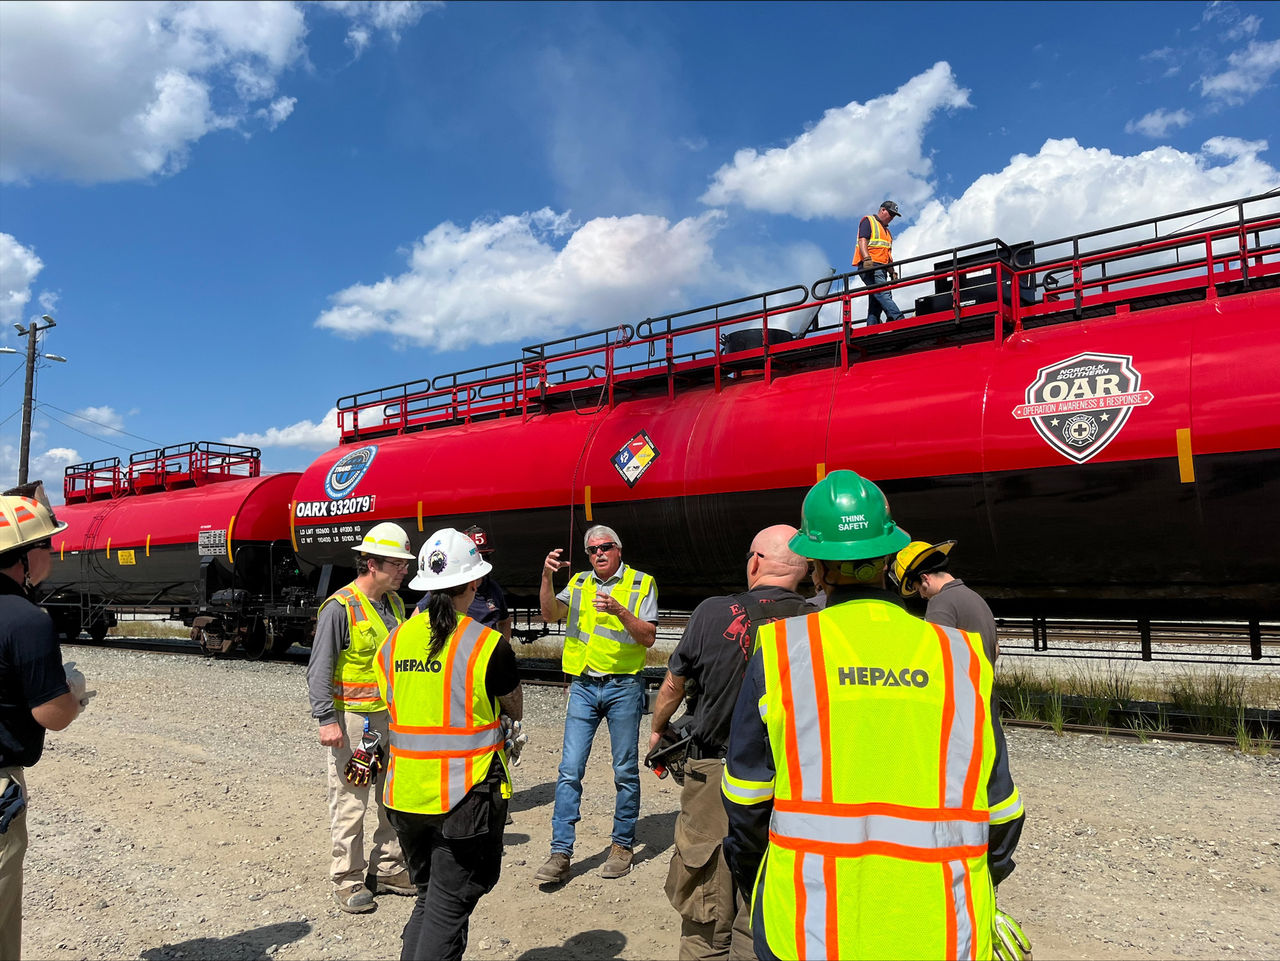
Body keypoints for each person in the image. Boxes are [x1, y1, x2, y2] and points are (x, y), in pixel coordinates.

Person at [722, 470, 1026, 960]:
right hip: (941, 926)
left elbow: (746, 799)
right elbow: (1003, 809)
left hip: (808, 927)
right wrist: (983, 879)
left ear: (817, 568)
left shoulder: (782, 651)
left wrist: (757, 874)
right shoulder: (961, 657)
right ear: (888, 559)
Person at [650, 525, 815, 961]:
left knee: (706, 915)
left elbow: (674, 686)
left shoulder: (711, 612)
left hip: (715, 781)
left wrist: (657, 728)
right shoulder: (819, 621)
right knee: (761, 911)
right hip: (792, 786)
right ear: (805, 570)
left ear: (755, 562)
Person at [376, 528, 524, 961]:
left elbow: (394, 704)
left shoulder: (393, 642)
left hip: (405, 795)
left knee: (431, 897)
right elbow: (513, 707)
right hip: (465, 795)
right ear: (474, 582)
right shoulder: (486, 644)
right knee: (447, 906)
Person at [534, 524, 658, 884]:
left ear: (618, 549)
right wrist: (546, 576)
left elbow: (649, 637)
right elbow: (549, 614)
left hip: (624, 686)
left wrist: (620, 610)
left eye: (605, 547)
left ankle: (622, 846)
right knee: (569, 770)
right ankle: (560, 852)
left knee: (625, 770)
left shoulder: (641, 583)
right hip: (584, 685)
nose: (599, 553)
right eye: (592, 550)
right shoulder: (579, 583)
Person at [306, 521, 416, 912]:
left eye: (404, 563)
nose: (404, 570)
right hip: (355, 723)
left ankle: (387, 868)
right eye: (397, 563)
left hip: (391, 720)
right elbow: (319, 669)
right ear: (371, 564)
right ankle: (347, 878)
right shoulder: (340, 608)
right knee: (351, 800)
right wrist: (326, 720)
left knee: (391, 797)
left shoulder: (395, 604)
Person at [1, 488, 87, 960]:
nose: (51, 554)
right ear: (24, 557)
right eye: (46, 545)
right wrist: (72, 695)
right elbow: (52, 716)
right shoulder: (26, 621)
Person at [894, 539, 1001, 663]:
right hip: (983, 675)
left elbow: (935, 654)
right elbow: (996, 650)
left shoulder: (940, 602)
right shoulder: (977, 599)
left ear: (925, 578)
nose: (922, 596)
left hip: (958, 676)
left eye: (918, 589)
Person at [416, 525, 512, 643]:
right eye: (477, 558)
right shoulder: (447, 590)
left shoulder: (493, 588)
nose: (479, 564)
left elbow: (505, 621)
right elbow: (416, 617)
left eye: (485, 557)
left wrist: (503, 646)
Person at [852, 200, 905, 325]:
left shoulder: (887, 232)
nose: (892, 217)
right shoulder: (869, 221)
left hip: (881, 268)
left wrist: (892, 272)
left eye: (894, 215)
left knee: (876, 299)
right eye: (890, 214)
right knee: (883, 294)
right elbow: (862, 240)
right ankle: (898, 319)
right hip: (871, 266)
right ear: (882, 210)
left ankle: (872, 328)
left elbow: (887, 255)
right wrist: (867, 259)